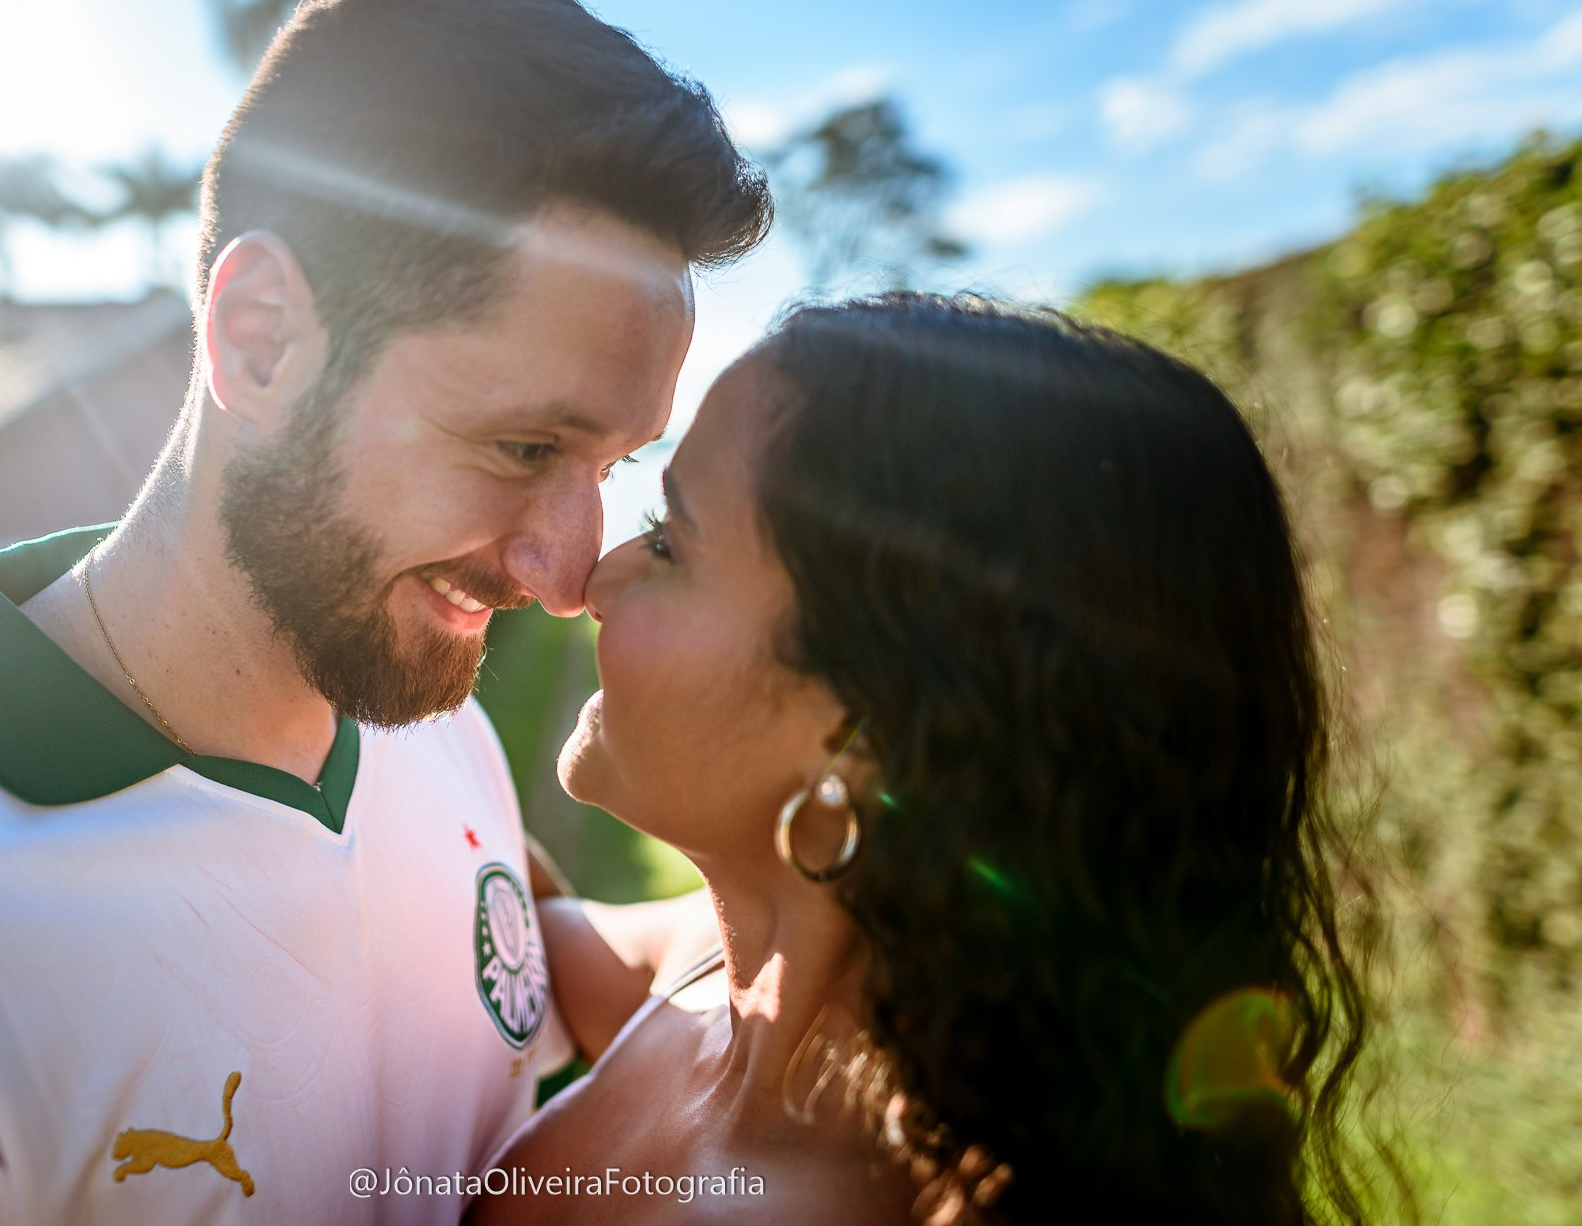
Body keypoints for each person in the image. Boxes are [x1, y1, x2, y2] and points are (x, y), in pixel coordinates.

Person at [0, 0, 768, 1225]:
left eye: (612, 467)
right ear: (260, 337)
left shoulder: (423, 715)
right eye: (522, 449)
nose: (566, 574)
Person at [505, 295, 1376, 1223]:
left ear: (863, 729)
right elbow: (504, 910)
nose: (597, 577)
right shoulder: (705, 978)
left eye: (674, 541)